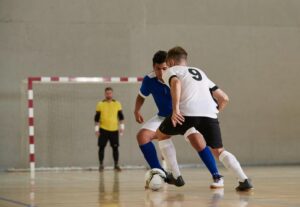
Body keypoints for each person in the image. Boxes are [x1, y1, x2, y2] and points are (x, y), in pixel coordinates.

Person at [156, 46, 253, 191]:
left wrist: (175, 109)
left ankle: (175, 175)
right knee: (219, 150)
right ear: (185, 60)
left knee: (161, 135)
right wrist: (215, 111)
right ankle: (243, 179)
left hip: (186, 113)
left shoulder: (171, 71)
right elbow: (224, 98)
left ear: (170, 61)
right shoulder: (200, 72)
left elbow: (176, 83)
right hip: (209, 115)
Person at [134, 50, 183, 186]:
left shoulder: (178, 77)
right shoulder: (149, 80)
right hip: (163, 117)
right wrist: (137, 110)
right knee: (142, 136)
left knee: (201, 141)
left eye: (164, 68)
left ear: (170, 67)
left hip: (184, 116)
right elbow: (141, 96)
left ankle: (217, 176)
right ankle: (160, 172)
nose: (161, 73)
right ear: (153, 67)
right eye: (158, 69)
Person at [94, 87, 125, 172]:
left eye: (110, 93)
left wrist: (122, 128)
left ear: (112, 93)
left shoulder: (117, 103)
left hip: (114, 130)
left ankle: (116, 165)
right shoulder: (100, 104)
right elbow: (96, 118)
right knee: (101, 147)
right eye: (107, 93)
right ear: (105, 94)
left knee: (115, 148)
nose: (108, 95)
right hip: (103, 129)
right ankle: (101, 165)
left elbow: (121, 117)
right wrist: (96, 129)